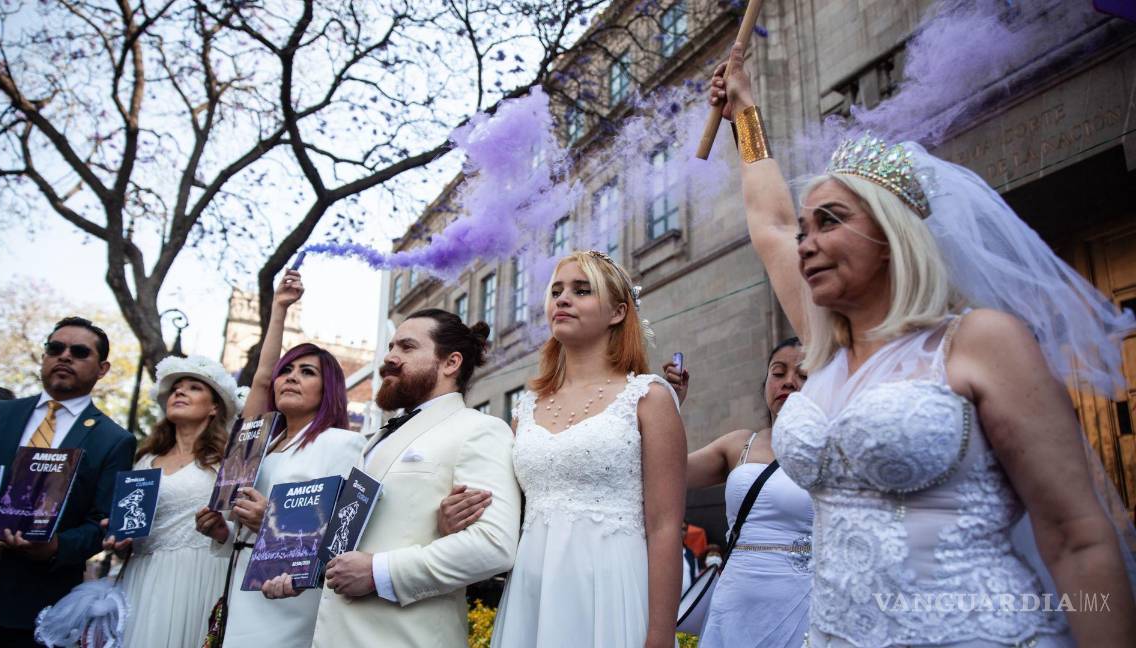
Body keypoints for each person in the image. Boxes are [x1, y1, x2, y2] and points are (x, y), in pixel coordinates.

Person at [708, 41, 1136, 646]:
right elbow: (770, 224)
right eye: (805, 229)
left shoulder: (978, 342)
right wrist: (744, 115)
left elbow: (1075, 535)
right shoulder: (825, 350)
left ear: (892, 235)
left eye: (829, 221)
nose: (805, 242)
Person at [265, 308, 520, 647]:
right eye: (390, 347)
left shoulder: (480, 430)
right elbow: (350, 538)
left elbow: (493, 545)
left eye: (407, 347)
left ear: (450, 363)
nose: (390, 358)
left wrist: (378, 572)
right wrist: (300, 572)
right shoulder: (376, 439)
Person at [487, 250, 687, 648]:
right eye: (556, 291)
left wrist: (660, 634)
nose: (562, 299)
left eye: (582, 290)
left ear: (616, 312)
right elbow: (502, 508)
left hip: (613, 588)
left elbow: (665, 526)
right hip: (533, 591)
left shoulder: (648, 397)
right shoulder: (524, 408)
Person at [194, 269, 366, 648]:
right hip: (237, 585)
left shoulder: (342, 444)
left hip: (289, 594)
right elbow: (259, 380)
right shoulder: (257, 444)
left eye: (306, 372)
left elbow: (346, 532)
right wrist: (221, 531)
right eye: (285, 371)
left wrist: (269, 520)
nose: (289, 377)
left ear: (329, 390)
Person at [0, 317, 135, 647]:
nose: (65, 356)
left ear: (103, 369)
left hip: (35, 604)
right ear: (44, 357)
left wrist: (54, 548)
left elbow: (101, 523)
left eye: (80, 352)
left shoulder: (113, 440)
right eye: (55, 348)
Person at [665, 338, 812, 648]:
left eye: (803, 374)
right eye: (778, 372)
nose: (788, 382)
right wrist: (668, 407)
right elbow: (669, 472)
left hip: (803, 600)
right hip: (735, 601)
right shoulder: (740, 444)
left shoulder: (837, 448)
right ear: (765, 384)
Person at [103, 355, 241, 647]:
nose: (179, 392)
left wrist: (220, 531)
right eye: (176, 387)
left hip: (200, 575)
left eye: (193, 387)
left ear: (214, 406)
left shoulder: (226, 463)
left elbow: (239, 532)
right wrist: (118, 538)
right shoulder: (144, 461)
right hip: (143, 576)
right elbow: (129, 533)